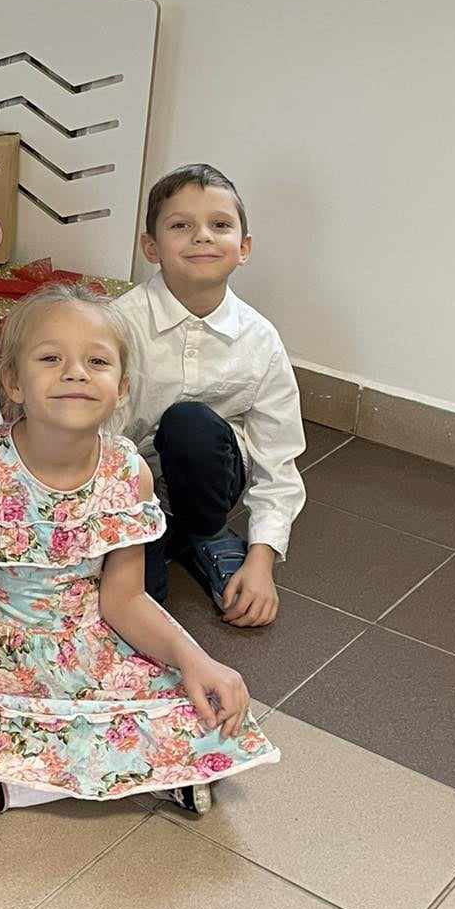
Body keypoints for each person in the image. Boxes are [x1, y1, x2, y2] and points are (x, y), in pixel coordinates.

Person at [0, 284, 278, 822]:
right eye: (51, 359)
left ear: (121, 387)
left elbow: (125, 600)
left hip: (95, 639)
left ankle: (0, 786)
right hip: (1, 638)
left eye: (96, 362)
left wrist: (197, 659)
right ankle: (134, 777)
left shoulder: (127, 472)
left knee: (201, 705)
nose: (75, 373)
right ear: (13, 382)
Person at [112, 163, 305, 626]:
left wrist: (262, 559)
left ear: (243, 247)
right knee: (140, 609)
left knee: (190, 423)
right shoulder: (118, 324)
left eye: (219, 225)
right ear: (151, 247)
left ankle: (206, 532)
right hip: (128, 485)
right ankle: (156, 534)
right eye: (181, 225)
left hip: (207, 476)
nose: (202, 236)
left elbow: (278, 458)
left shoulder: (260, 339)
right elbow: (94, 433)